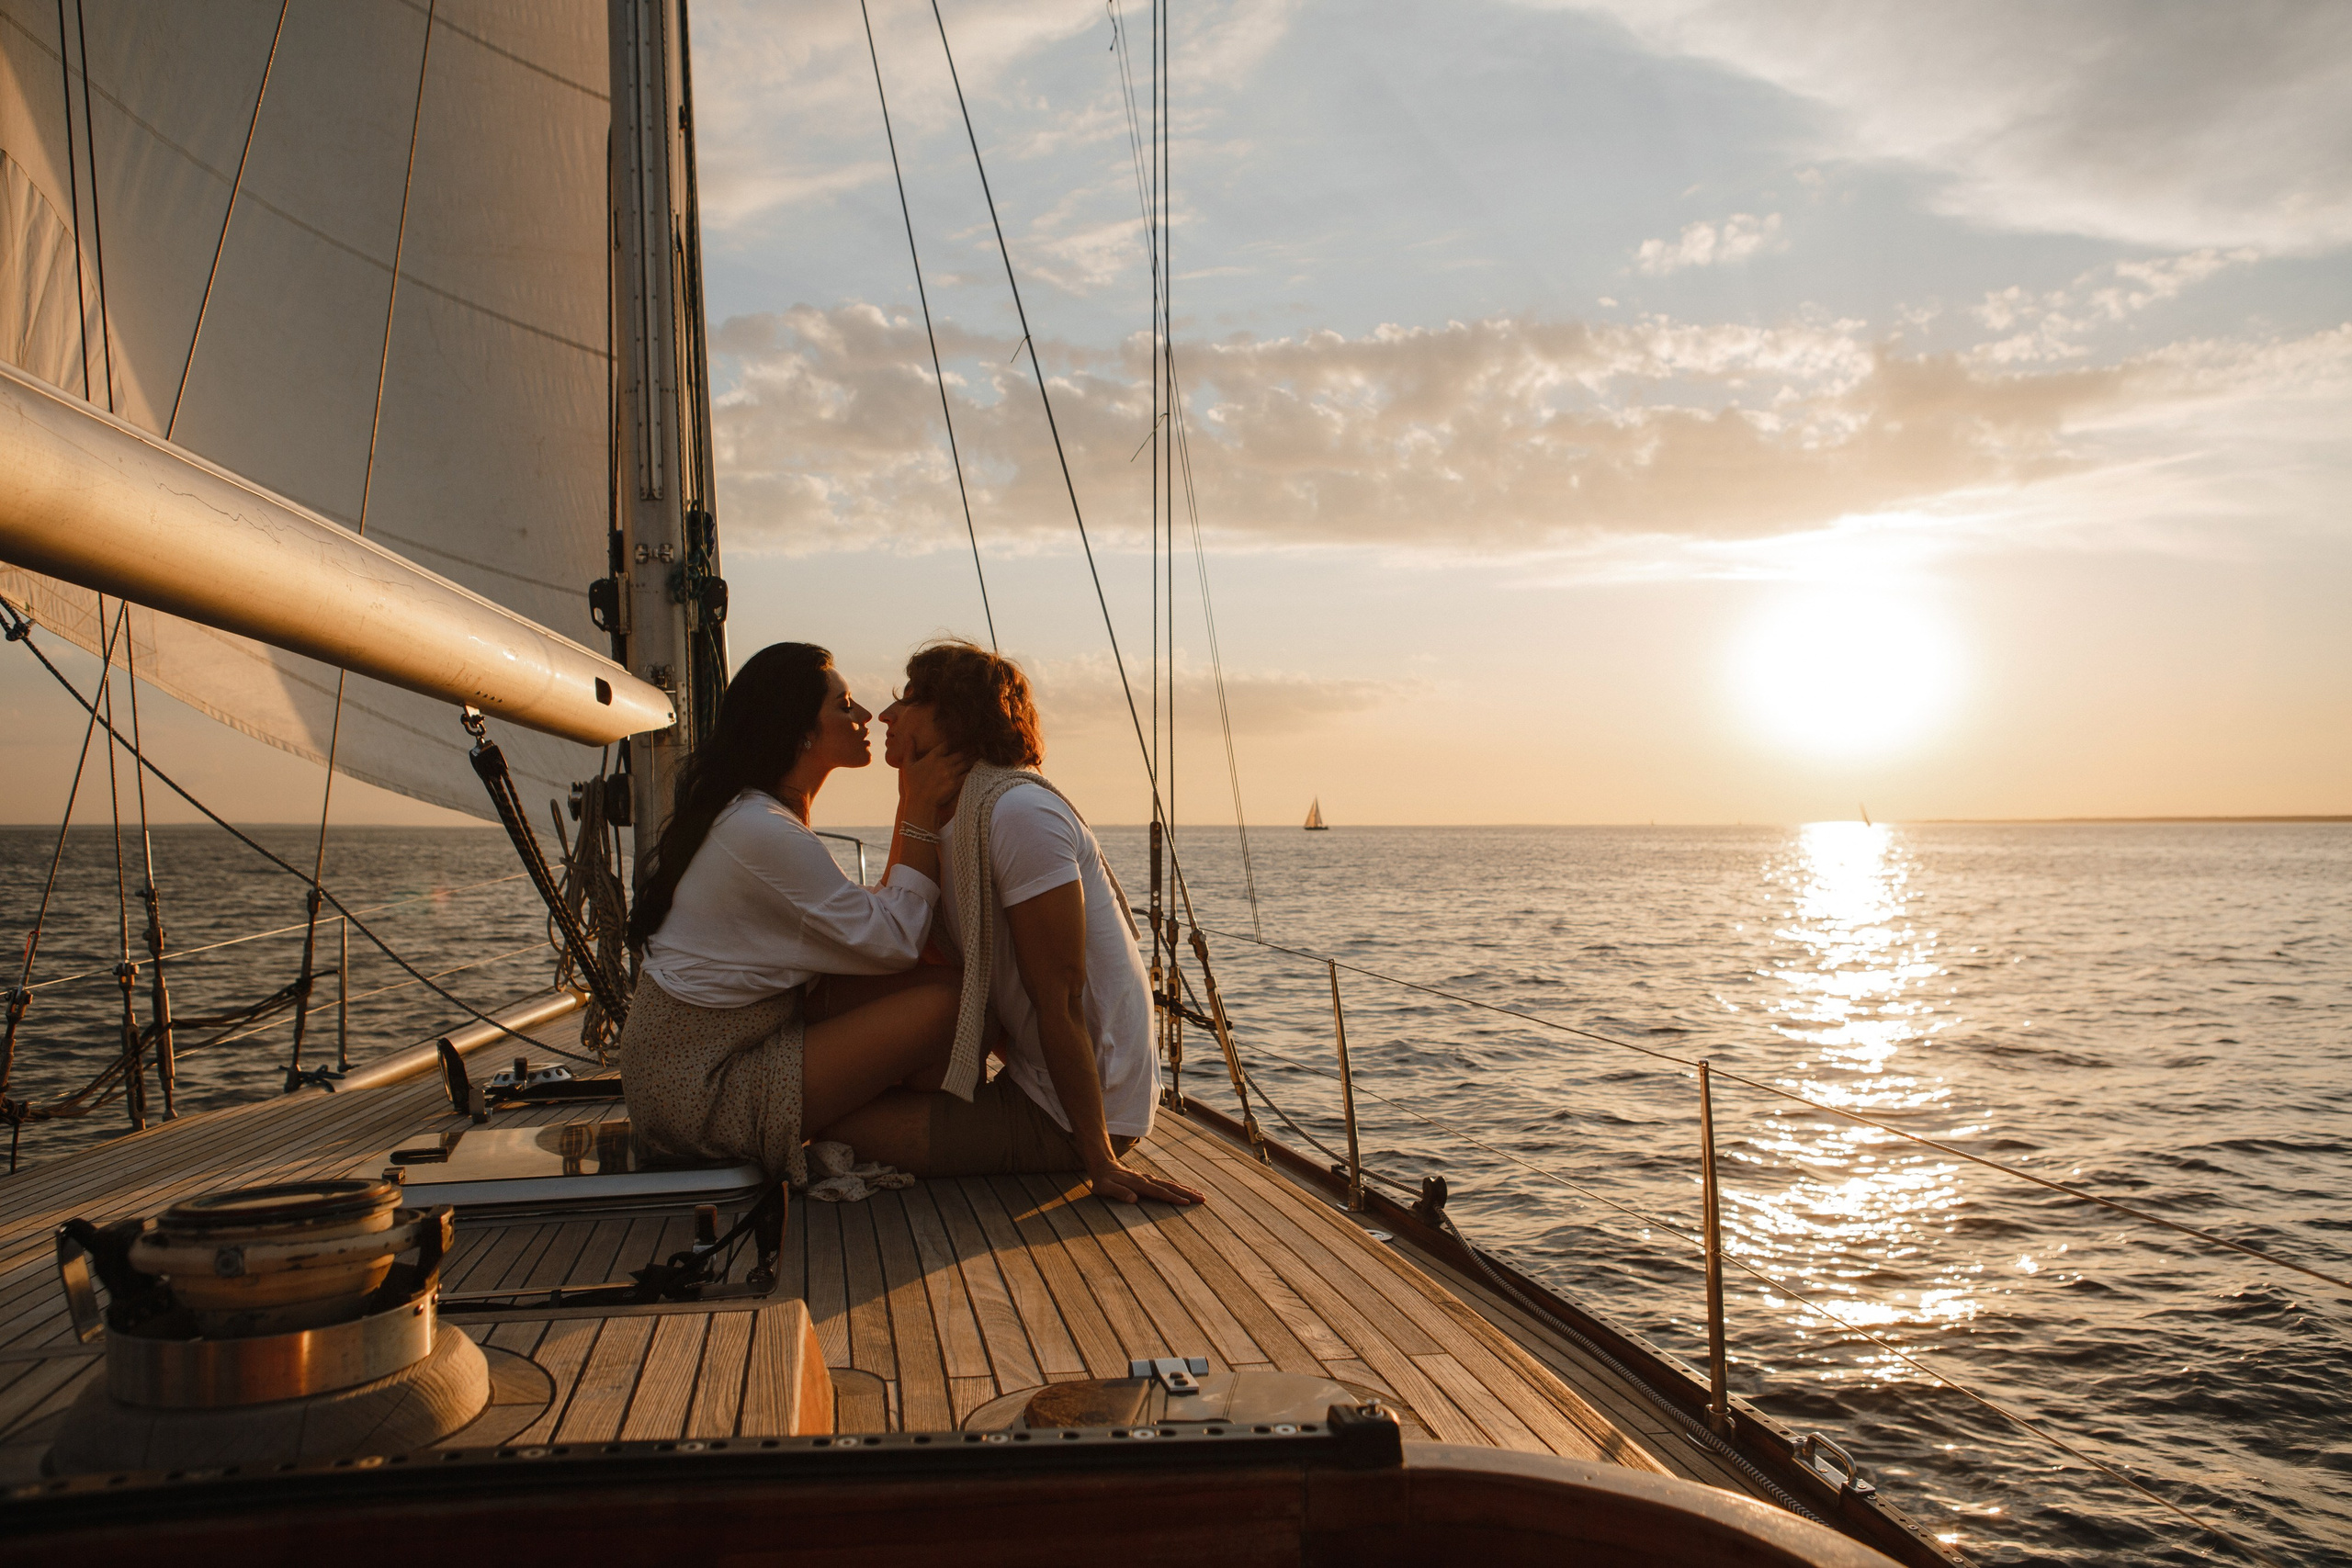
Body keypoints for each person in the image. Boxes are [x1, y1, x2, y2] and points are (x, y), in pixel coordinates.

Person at [823, 640, 1204, 1207]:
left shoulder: (1018, 815)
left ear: (954, 719)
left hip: (1073, 1110)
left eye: (908, 699)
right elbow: (894, 938)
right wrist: (913, 806)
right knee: (824, 1098)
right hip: (1036, 1076)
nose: (886, 715)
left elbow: (1061, 998)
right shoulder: (945, 814)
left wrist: (1097, 1159)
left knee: (825, 1123)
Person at [616, 642, 969, 1186]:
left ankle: (853, 1113)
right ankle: (862, 1126)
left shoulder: (753, 815)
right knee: (951, 1004)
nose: (865, 716)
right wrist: (919, 806)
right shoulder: (761, 832)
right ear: (801, 730)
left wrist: (908, 800)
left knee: (930, 998)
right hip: (700, 1090)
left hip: (716, 1052)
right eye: (844, 705)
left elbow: (872, 933)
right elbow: (895, 941)